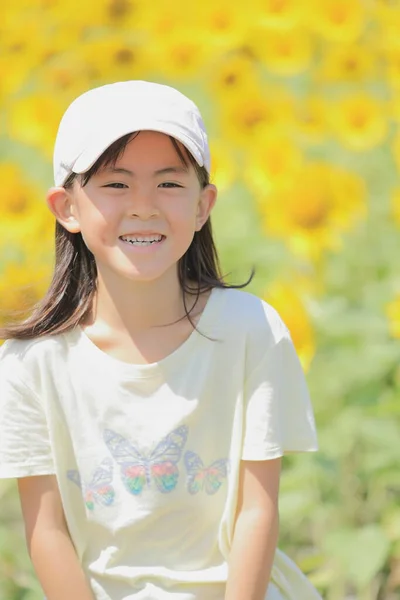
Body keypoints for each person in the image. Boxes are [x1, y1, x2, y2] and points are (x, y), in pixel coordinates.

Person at [0, 80, 321, 600]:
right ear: (67, 208)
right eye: (116, 184)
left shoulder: (251, 331)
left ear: (203, 205)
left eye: (169, 184)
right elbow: (47, 532)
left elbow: (256, 512)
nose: (144, 206)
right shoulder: (30, 364)